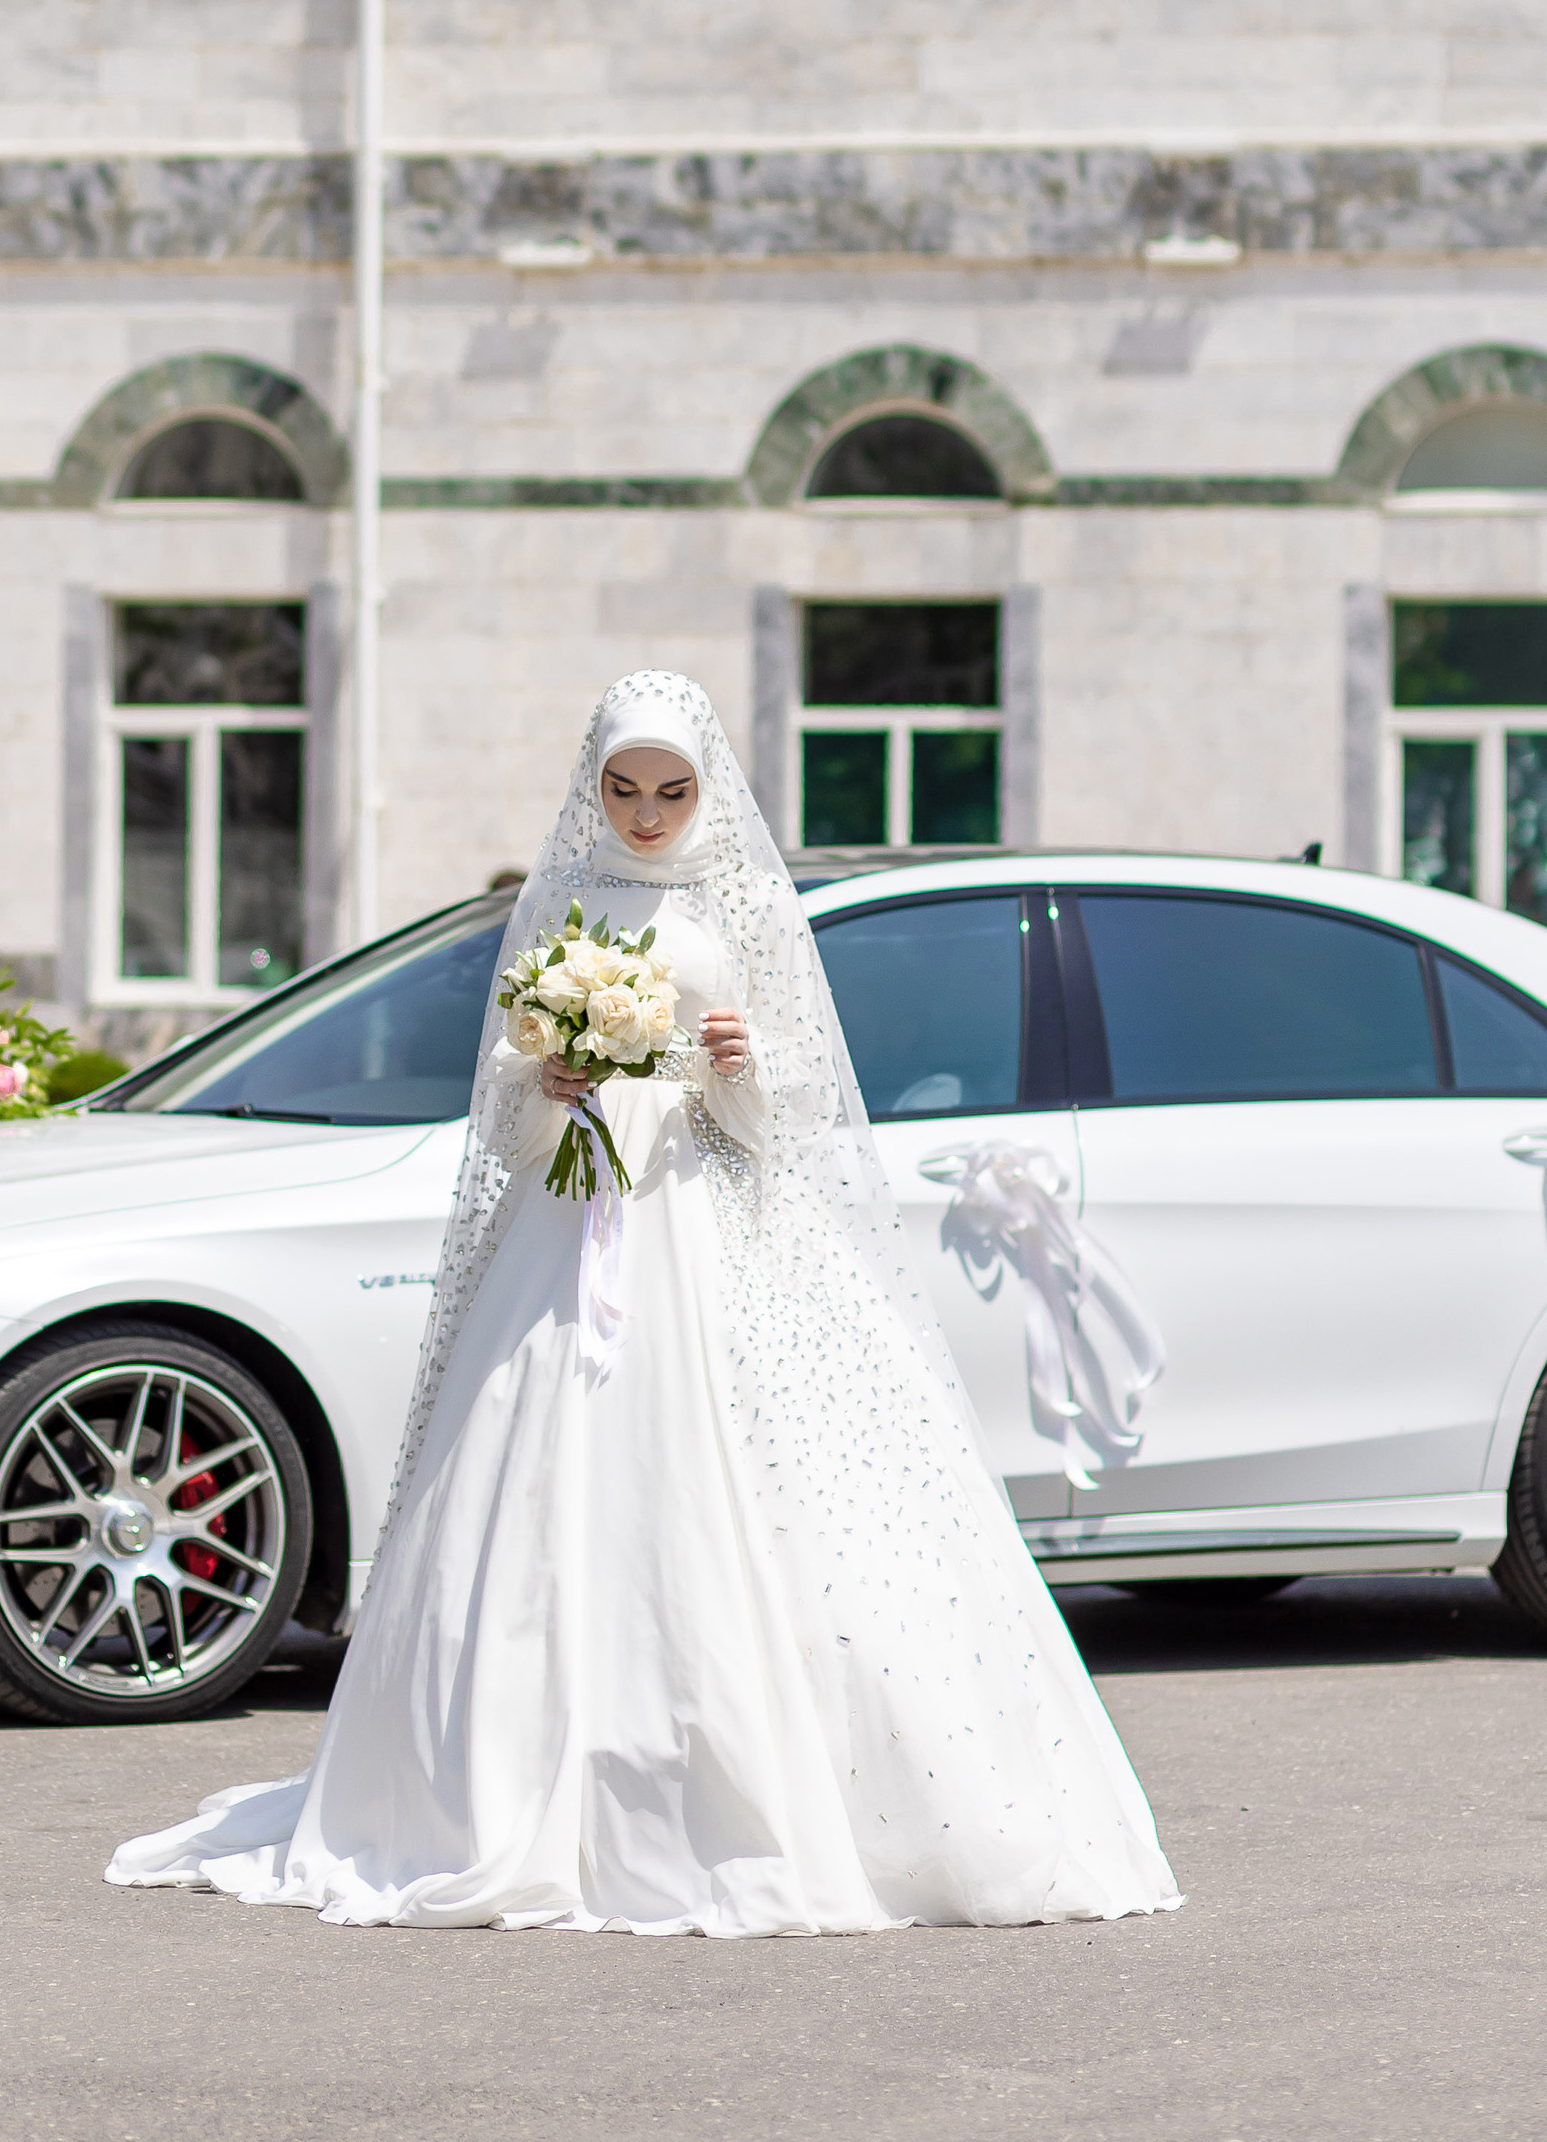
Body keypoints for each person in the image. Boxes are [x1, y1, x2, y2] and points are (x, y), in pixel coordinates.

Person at [107, 668, 1180, 1936]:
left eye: (671, 790)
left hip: (702, 1213)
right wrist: (547, 1073)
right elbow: (501, 1100)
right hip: (572, 1221)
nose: (648, 812)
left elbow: (797, 1105)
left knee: (742, 1481)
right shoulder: (561, 894)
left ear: (706, 785)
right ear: (594, 785)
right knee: (527, 1473)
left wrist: (740, 1065)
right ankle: (491, 1786)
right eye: (624, 789)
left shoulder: (740, 897)